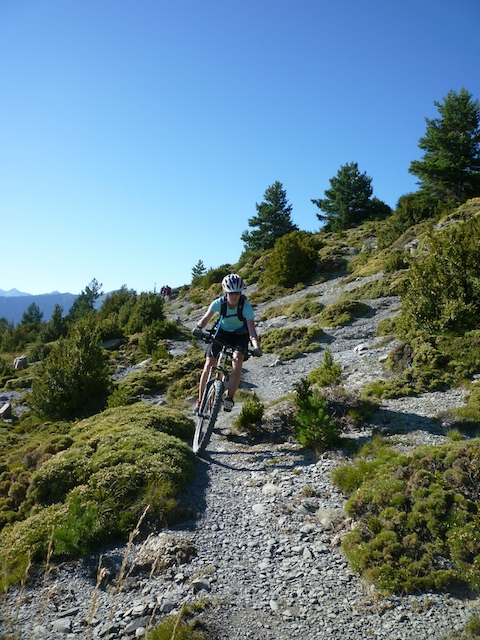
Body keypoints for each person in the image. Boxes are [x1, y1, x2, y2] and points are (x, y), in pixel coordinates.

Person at [192, 273, 262, 413]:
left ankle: (229, 397)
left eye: (237, 293)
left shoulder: (246, 307)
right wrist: (199, 327)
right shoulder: (219, 303)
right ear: (225, 292)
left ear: (240, 293)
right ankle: (200, 401)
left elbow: (252, 332)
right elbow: (206, 318)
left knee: (237, 360)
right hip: (222, 333)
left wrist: (256, 347)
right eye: (231, 293)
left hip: (240, 335)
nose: (234, 296)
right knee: (209, 364)